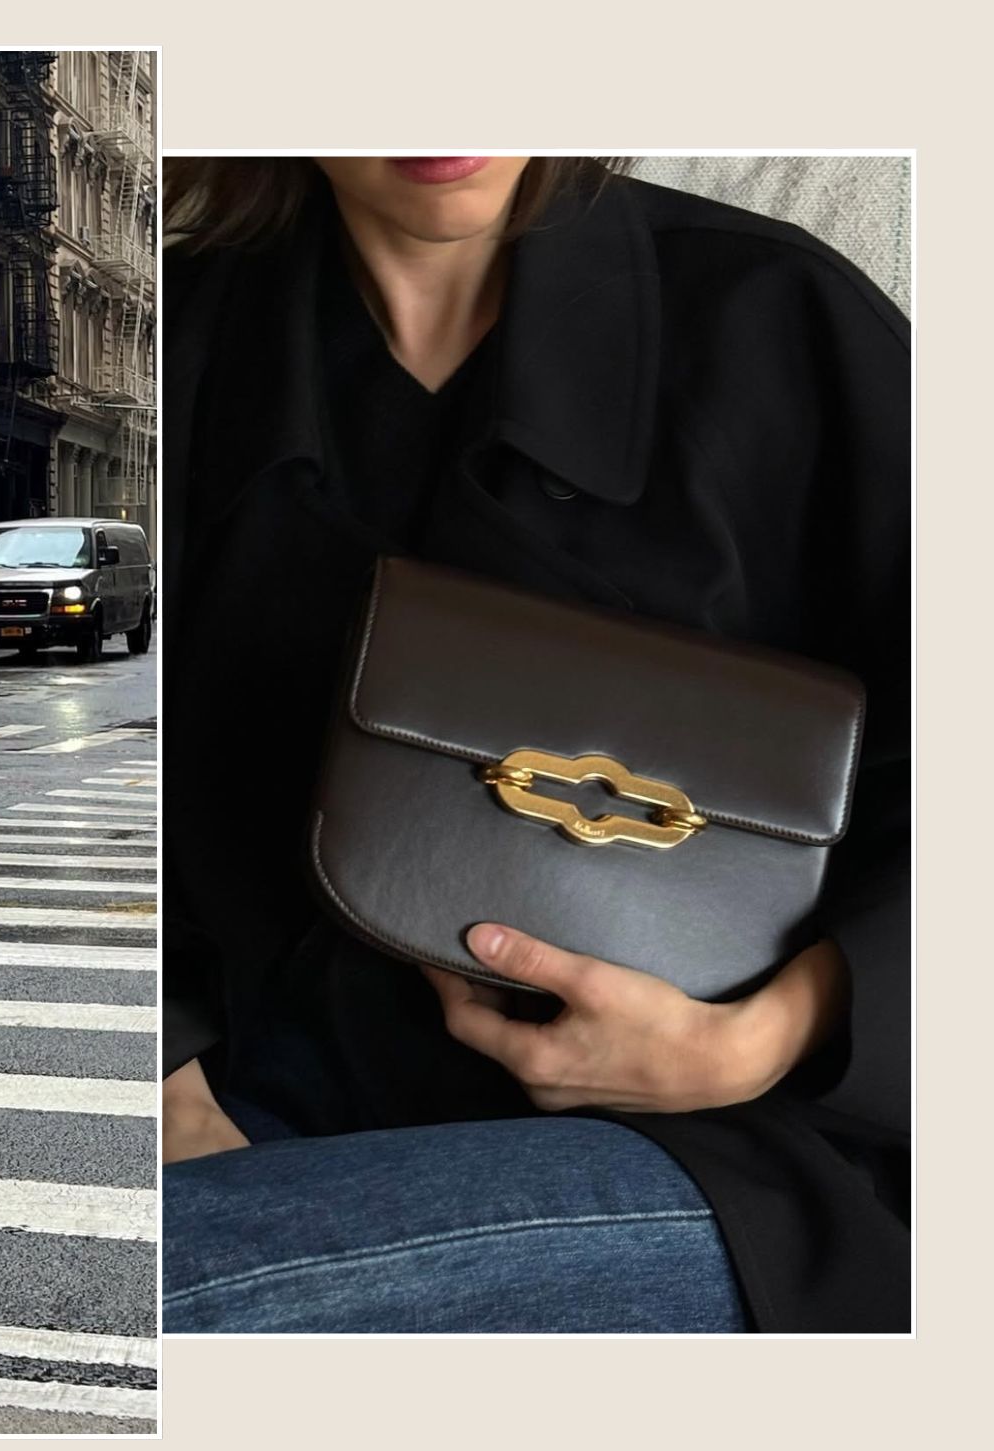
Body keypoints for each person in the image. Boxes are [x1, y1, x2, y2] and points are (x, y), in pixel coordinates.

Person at [158, 156, 908, 1332]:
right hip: (261, 1100)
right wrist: (169, 1064)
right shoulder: (182, 340)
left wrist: (767, 1037)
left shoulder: (781, 321)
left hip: (724, 1143)